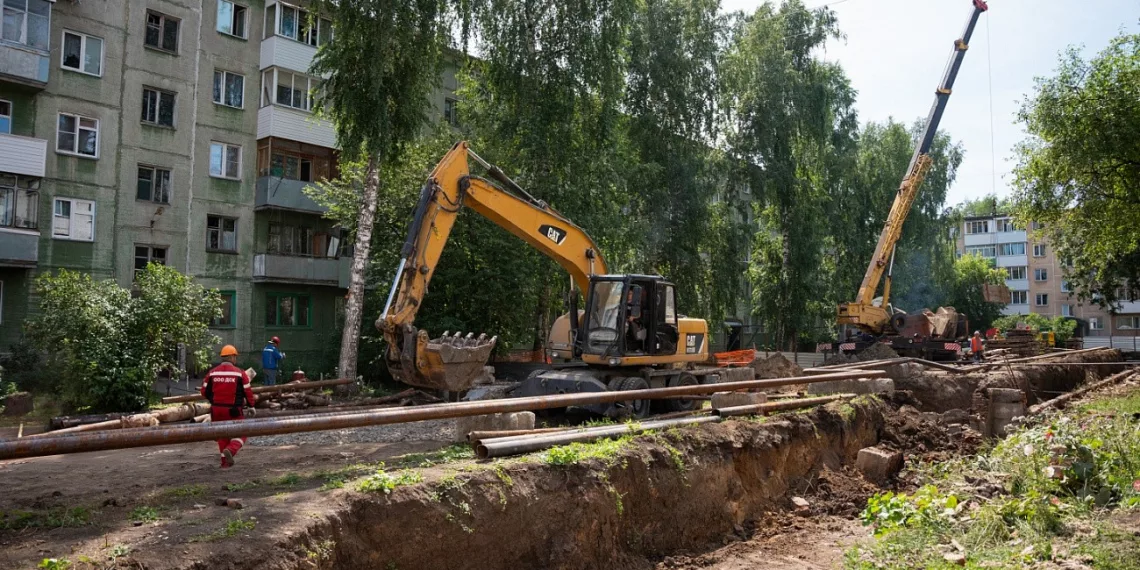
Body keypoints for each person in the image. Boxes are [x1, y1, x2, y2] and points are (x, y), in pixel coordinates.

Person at [201, 345, 256, 468]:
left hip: (216, 411)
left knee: (222, 435)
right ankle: (231, 450)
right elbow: (248, 392)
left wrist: (214, 401)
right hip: (234, 410)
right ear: (231, 357)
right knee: (242, 432)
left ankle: (225, 463)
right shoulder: (240, 373)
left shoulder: (212, 372)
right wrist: (251, 406)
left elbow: (204, 391)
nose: (235, 359)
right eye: (235, 357)